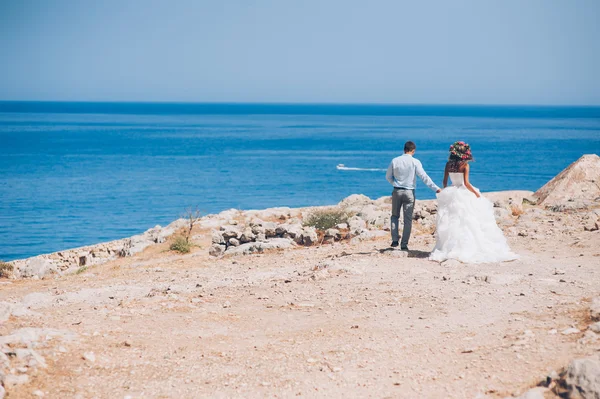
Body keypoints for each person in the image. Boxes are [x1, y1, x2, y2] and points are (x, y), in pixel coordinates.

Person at [429, 141, 519, 263]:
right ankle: (468, 247)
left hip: (451, 191)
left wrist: (445, 190)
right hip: (463, 192)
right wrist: (476, 193)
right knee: (469, 221)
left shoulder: (448, 165)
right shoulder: (465, 166)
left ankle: (448, 247)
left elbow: (444, 181)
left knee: (452, 222)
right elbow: (466, 183)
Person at [386, 141, 441, 250]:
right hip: (409, 192)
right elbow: (424, 177)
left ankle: (395, 240)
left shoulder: (395, 160)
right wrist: (436, 188)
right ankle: (404, 244)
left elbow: (388, 176)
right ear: (413, 151)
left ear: (404, 149)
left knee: (394, 216)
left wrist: (396, 184)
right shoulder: (415, 162)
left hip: (397, 191)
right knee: (407, 219)